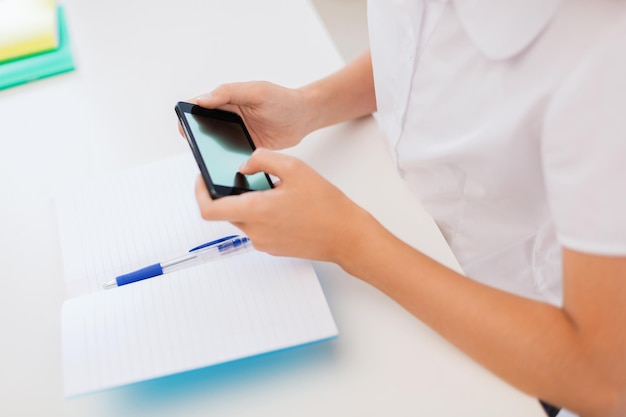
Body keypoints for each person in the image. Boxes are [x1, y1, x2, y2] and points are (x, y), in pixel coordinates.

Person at [183, 1, 626, 416]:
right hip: (403, 233)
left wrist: (349, 241)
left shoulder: (606, 66)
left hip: (519, 351)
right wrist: (310, 106)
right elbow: (426, 47)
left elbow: (602, 380)